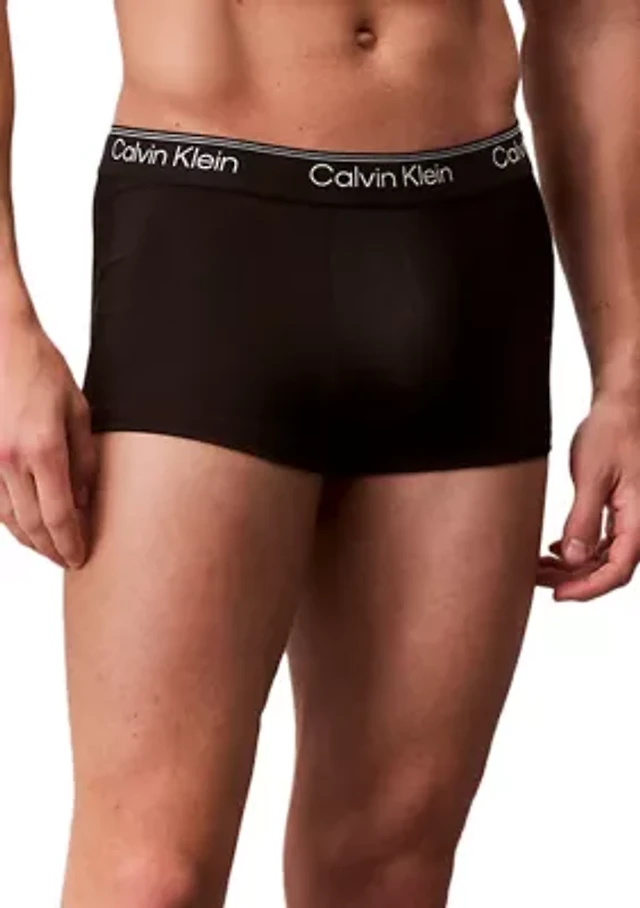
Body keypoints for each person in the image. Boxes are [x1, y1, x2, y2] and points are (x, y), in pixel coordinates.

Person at [1, 1, 639, 905]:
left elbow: (595, 19)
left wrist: (626, 372)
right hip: (206, 236)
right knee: (148, 879)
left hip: (469, 240)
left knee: (386, 870)